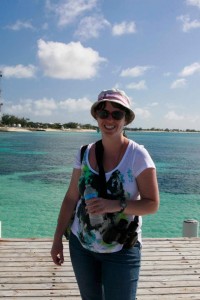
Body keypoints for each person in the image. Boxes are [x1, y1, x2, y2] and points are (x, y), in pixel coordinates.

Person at [51, 89, 160, 300]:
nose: (109, 119)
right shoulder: (84, 152)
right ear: (96, 117)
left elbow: (152, 204)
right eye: (104, 113)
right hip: (81, 246)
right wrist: (57, 240)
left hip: (121, 249)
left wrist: (113, 205)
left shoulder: (138, 155)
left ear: (126, 119)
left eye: (117, 114)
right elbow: (71, 198)